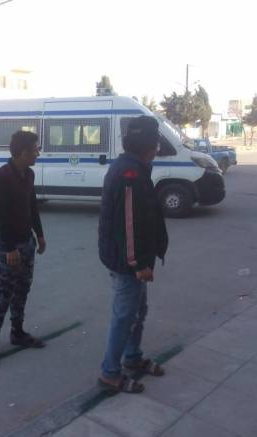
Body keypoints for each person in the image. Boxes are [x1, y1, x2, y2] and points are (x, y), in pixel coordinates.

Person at [97, 115, 168, 393]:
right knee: (125, 316)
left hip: (130, 259)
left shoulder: (135, 167)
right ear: (150, 144)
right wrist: (138, 264)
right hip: (128, 261)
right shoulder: (130, 173)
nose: (157, 148)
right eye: (156, 142)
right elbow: (128, 224)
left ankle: (133, 358)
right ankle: (109, 373)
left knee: (137, 311)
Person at [0, 130, 47, 366]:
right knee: (3, 294)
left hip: (27, 242)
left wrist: (39, 234)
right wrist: (9, 249)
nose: (38, 154)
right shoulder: (1, 178)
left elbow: (32, 206)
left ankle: (17, 332)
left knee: (22, 289)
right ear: (23, 152)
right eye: (35, 150)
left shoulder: (28, 174)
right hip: (7, 246)